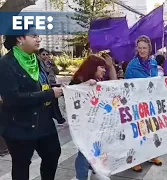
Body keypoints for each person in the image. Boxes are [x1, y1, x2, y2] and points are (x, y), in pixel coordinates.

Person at [0, 25, 63, 180]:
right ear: (20, 38)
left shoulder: (36, 60)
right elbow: (12, 98)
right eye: (34, 36)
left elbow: (43, 85)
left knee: (52, 154)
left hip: (44, 122)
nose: (38, 38)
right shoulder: (6, 64)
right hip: (19, 125)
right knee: (21, 165)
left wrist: (72, 87)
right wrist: (49, 94)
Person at [69, 54, 116, 180]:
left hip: (95, 124)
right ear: (93, 67)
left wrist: (111, 68)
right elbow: (71, 94)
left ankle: (93, 170)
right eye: (102, 67)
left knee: (95, 150)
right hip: (83, 125)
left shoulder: (97, 81)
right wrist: (85, 85)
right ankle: (81, 177)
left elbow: (114, 85)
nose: (104, 70)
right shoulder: (79, 80)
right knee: (84, 153)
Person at [125, 35, 162, 172]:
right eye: (139, 48)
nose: (142, 50)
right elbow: (126, 86)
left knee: (151, 130)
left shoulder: (154, 64)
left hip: (151, 103)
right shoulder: (132, 65)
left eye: (144, 48)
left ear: (149, 49)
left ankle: (152, 155)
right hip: (136, 103)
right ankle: (135, 159)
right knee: (138, 132)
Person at [39, 48, 66, 125]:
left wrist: (53, 65)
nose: (45, 56)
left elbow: (57, 71)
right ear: (39, 55)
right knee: (50, 101)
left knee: (54, 101)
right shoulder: (40, 64)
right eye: (43, 54)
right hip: (45, 85)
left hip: (53, 83)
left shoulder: (51, 63)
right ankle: (58, 118)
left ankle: (58, 117)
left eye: (47, 54)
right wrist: (46, 64)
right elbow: (45, 72)